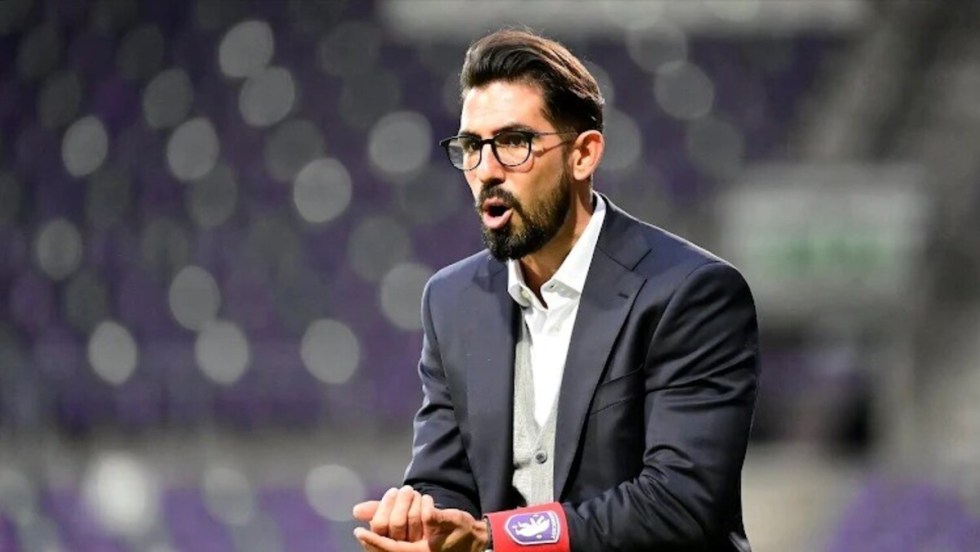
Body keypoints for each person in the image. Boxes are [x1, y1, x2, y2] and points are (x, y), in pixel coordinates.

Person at [353, 28, 759, 552]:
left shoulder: (691, 293)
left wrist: (496, 537)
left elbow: (681, 503)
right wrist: (422, 519)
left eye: (514, 143)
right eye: (472, 147)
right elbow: (446, 480)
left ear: (583, 155)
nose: (486, 170)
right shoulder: (452, 301)